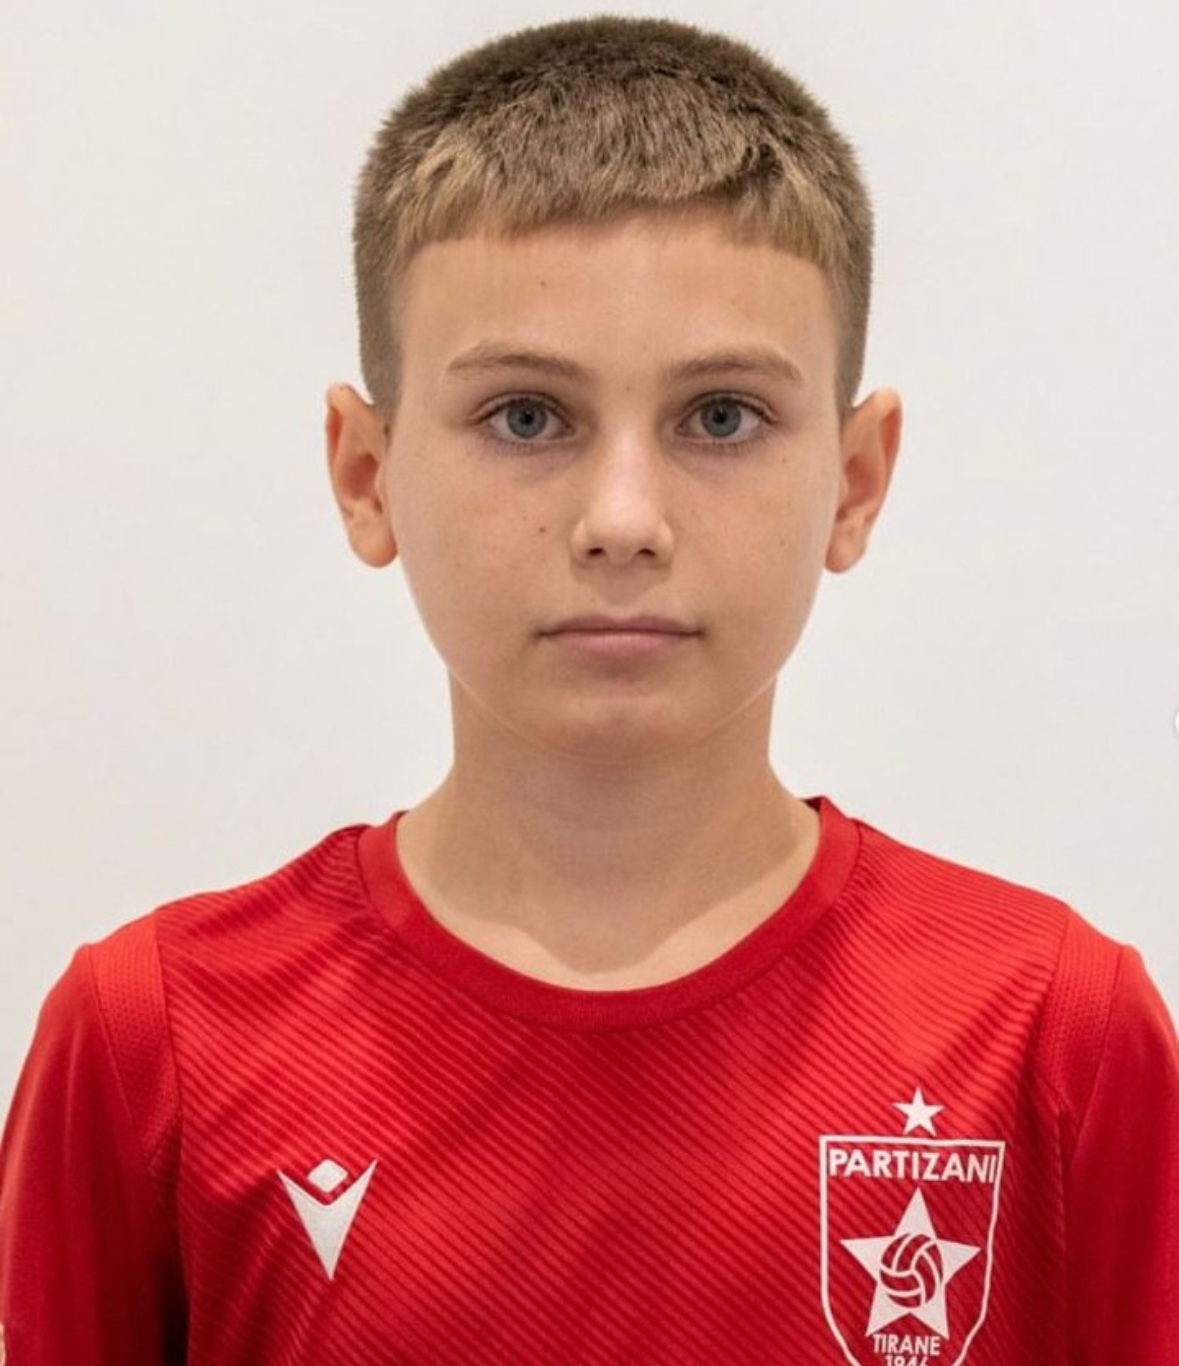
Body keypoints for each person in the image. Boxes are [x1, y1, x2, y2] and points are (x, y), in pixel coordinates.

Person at [1, 14, 1175, 1365]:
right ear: (367, 474)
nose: (623, 519)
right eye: (527, 416)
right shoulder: (155, 1045)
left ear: (855, 482)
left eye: (721, 416)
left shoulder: (1053, 1040)